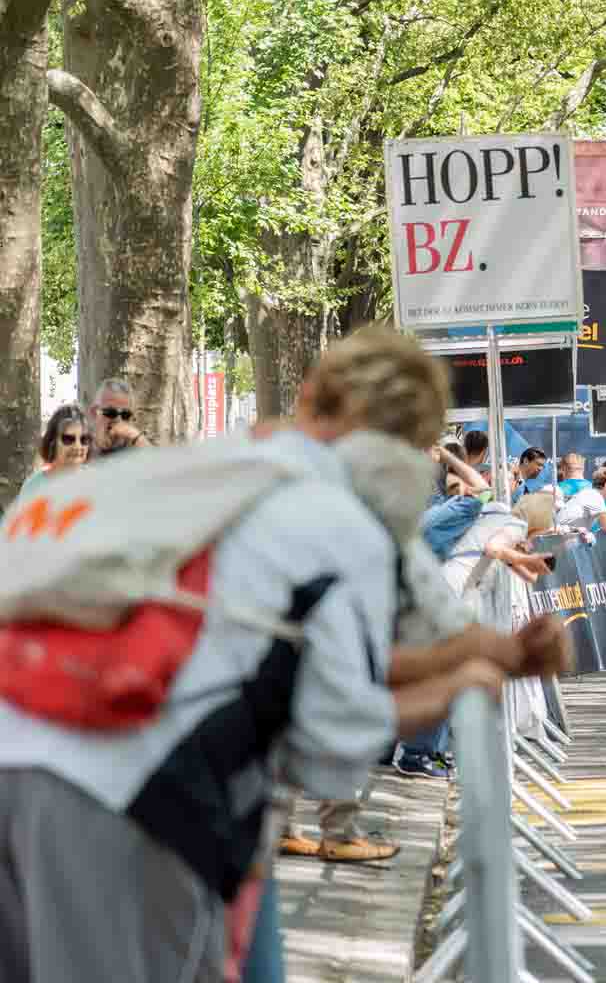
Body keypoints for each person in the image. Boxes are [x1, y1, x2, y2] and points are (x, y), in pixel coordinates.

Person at [0, 328, 556, 982]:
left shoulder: (196, 471)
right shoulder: (338, 520)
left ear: (308, 394)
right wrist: (470, 683)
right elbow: (332, 737)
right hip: (128, 803)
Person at [24, 404, 92, 491]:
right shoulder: (33, 486)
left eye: (84, 439)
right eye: (68, 439)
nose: (77, 446)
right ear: (52, 442)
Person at [90, 377, 154, 455]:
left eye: (125, 415)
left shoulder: (136, 449)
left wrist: (137, 438)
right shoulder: (78, 448)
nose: (118, 420)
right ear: (94, 413)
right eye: (111, 412)